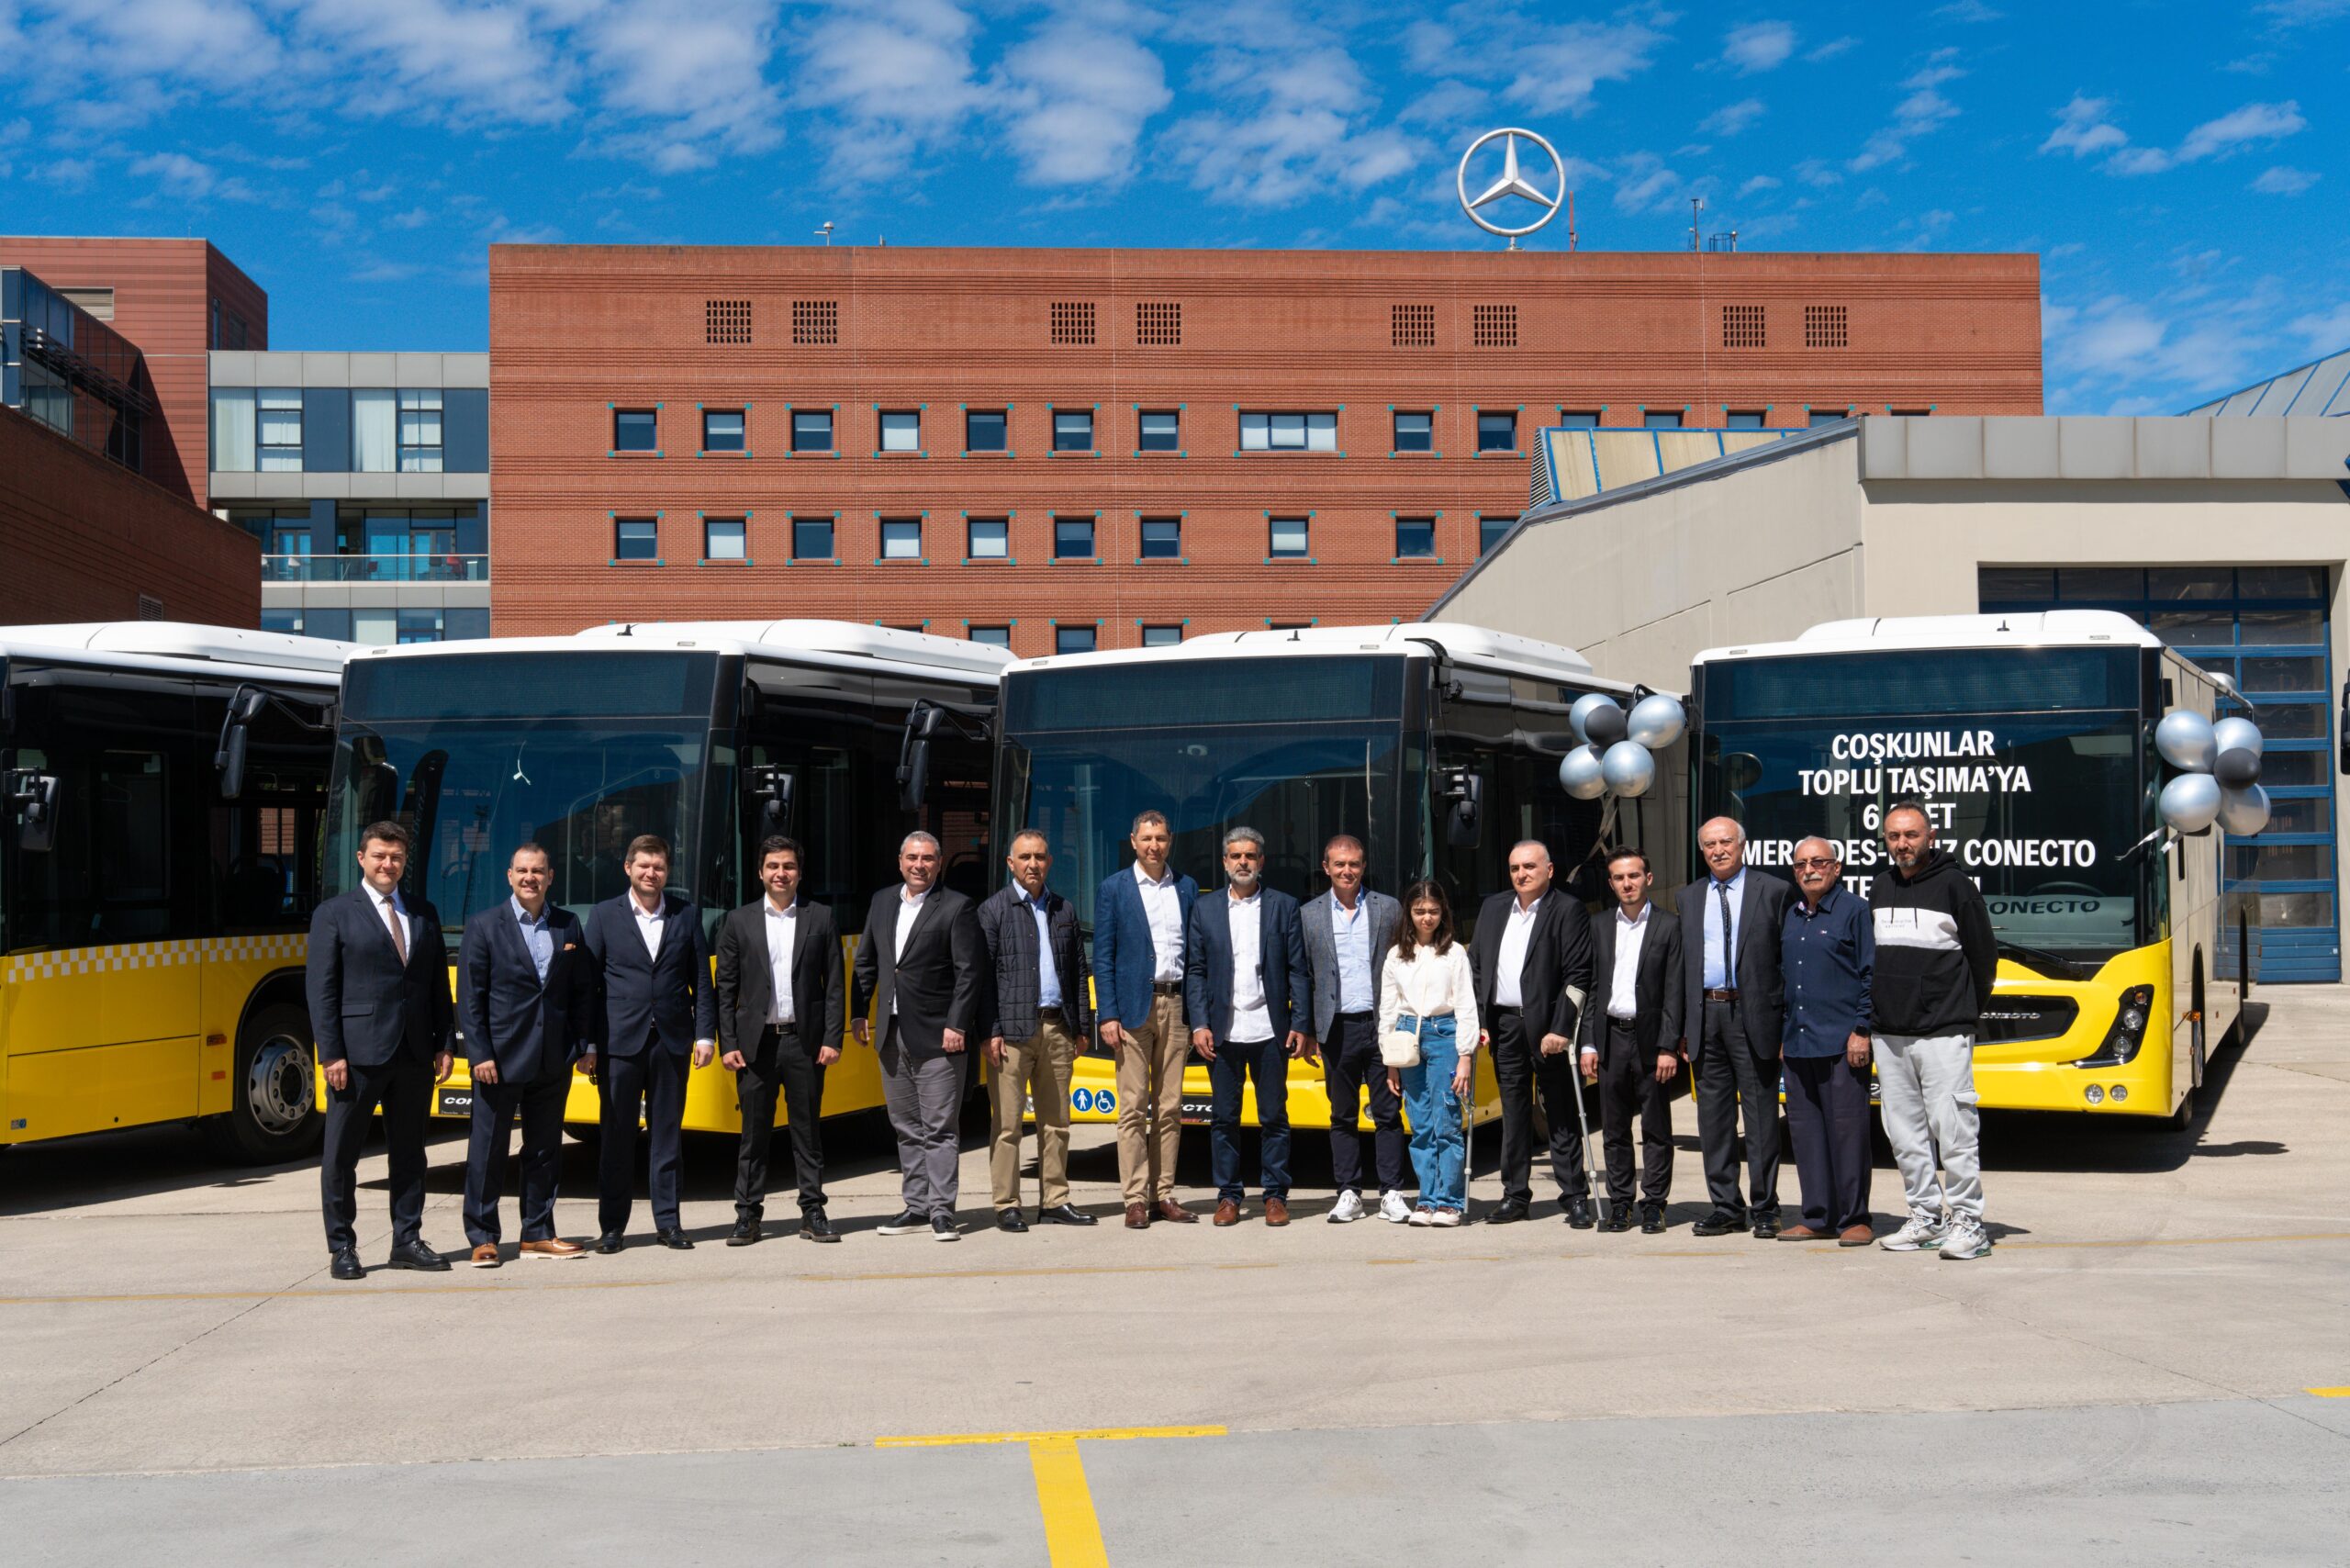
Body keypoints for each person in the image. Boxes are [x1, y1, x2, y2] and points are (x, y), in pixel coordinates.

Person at [308, 820, 455, 1280]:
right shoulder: (334, 913)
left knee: (410, 1153)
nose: (388, 864)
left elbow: (434, 985)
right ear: (361, 859)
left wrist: (444, 1043)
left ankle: (407, 1240)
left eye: (396, 857)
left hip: (413, 1053)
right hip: (357, 1055)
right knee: (342, 1156)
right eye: (379, 856)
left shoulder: (423, 912)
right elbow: (322, 989)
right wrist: (331, 1054)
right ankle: (342, 1246)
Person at [1871, 801, 1998, 1261]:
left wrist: (1960, 1012)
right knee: (1903, 1133)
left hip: (1944, 1031)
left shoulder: (1956, 886)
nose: (1902, 844)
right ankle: (1925, 1217)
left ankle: (1969, 1224)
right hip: (1889, 1033)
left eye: (1911, 835)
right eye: (1893, 836)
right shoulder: (1880, 885)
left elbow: (1985, 962)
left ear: (1931, 836)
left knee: (1954, 1130)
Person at [456, 843, 595, 1266]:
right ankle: (483, 1237)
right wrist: (478, 1053)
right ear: (509, 876)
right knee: (488, 1149)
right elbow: (470, 998)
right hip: (498, 1060)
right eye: (522, 870)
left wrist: (584, 1045)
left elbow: (581, 992)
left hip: (552, 1057)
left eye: (538, 870)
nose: (530, 877)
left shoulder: (569, 925)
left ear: (550, 877)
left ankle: (537, 1232)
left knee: (544, 1149)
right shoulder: (483, 926)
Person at [580, 834, 718, 1253]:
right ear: (628, 868)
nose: (651, 873)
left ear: (667, 872)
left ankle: (668, 1224)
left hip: (672, 1042)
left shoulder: (685, 915)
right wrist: (586, 1044)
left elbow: (701, 981)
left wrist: (705, 1034)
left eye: (658, 867)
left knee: (667, 1137)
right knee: (617, 1136)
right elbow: (588, 985)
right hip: (619, 1043)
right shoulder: (604, 916)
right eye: (643, 866)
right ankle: (612, 1228)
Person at [853, 831, 986, 1241]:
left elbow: (969, 973)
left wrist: (957, 1024)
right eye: (912, 857)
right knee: (906, 1125)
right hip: (891, 1034)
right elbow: (867, 963)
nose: (919, 865)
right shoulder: (881, 901)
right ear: (900, 861)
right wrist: (859, 1013)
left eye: (927, 858)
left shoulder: (958, 907)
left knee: (940, 1127)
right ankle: (916, 1206)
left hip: (939, 1036)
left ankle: (943, 1211)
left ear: (939, 862)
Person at [714, 835, 845, 1245]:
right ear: (760, 872)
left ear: (798, 873)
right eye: (773, 866)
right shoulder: (738, 921)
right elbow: (726, 989)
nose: (780, 873)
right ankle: (748, 1217)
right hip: (756, 1046)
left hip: (804, 1044)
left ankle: (813, 1212)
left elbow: (836, 984)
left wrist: (831, 1038)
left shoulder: (820, 918)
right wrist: (728, 1042)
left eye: (788, 866)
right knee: (753, 1137)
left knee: (807, 1134)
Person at [1185, 826, 1311, 1226]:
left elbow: (1298, 971)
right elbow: (1196, 972)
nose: (1243, 862)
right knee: (1224, 1119)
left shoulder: (1284, 906)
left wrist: (1301, 1023)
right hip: (1223, 1033)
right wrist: (1199, 1024)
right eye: (1236, 856)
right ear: (1225, 863)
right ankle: (1228, 1197)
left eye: (1250, 856)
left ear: (1262, 862)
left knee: (1274, 1117)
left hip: (1271, 1031)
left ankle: (1275, 1195)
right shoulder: (1204, 910)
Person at [1468, 839, 1595, 1226]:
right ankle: (1515, 1195)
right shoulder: (1493, 908)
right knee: (1515, 1113)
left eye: (1529, 867)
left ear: (1549, 870)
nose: (1521, 875)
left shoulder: (1568, 909)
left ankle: (1574, 1195)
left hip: (1548, 1028)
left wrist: (1562, 1028)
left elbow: (1579, 975)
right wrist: (1480, 1019)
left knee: (1559, 1112)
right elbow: (1476, 967)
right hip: (1504, 1025)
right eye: (1514, 868)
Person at [1676, 816, 1793, 1238]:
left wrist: (1786, 1026)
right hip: (1706, 1016)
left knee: (1761, 1117)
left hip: (1754, 1015)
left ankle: (1766, 1207)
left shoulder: (1774, 891)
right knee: (1713, 1119)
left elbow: (1786, 962)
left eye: (1726, 842)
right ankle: (1726, 1206)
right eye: (1709, 844)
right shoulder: (1688, 897)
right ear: (1701, 850)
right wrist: (1681, 1027)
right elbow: (1682, 968)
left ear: (1743, 845)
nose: (1718, 850)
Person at [977, 830, 1096, 1232]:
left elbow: (1079, 972)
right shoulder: (994, 910)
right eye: (1025, 857)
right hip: (1010, 1033)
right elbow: (984, 979)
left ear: (1049, 862)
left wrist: (1081, 1028)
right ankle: (1007, 1204)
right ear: (1010, 864)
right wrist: (989, 1029)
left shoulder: (1064, 909)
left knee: (1057, 1122)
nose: (1033, 864)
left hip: (1058, 1029)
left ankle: (1056, 1200)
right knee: (1008, 1125)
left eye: (1040, 857)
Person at [1091, 810, 1200, 1229]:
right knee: (1133, 1108)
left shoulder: (1186, 887)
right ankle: (1135, 1198)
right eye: (1147, 838)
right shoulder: (1114, 889)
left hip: (1176, 1008)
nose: (1154, 845)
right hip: (1134, 1008)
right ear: (1133, 841)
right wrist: (1109, 1013)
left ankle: (1164, 1194)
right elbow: (1104, 955)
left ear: (1169, 841)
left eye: (1161, 838)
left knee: (1171, 1108)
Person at [1300, 834, 1407, 1224]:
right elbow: (1306, 976)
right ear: (1326, 868)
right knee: (1342, 1115)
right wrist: (1308, 1028)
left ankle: (1392, 1192)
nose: (1348, 871)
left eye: (1355, 864)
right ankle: (1348, 1192)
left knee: (1388, 1112)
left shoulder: (1389, 909)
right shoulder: (1309, 914)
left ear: (1364, 867)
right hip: (1336, 1028)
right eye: (1339, 864)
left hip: (1381, 1026)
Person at [1578, 848, 1684, 1235]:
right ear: (1611, 884)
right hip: (1609, 1038)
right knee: (1614, 1129)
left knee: (1656, 1128)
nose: (1627, 884)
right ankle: (1620, 1203)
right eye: (1620, 878)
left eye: (1634, 876)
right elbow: (1591, 988)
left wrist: (1669, 1046)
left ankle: (1654, 1204)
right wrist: (1588, 1043)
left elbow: (1675, 991)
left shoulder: (1669, 926)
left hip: (1651, 1040)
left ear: (1648, 878)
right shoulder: (1600, 925)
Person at [1779, 838, 1876, 1246]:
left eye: (1818, 862)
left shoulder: (1854, 911)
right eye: (1801, 863)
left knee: (1848, 1132)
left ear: (1836, 868)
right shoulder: (1792, 914)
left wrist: (1861, 1029)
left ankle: (1855, 1217)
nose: (1809, 870)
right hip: (1798, 1042)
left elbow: (1871, 974)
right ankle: (1817, 1215)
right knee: (1805, 1133)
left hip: (1842, 1043)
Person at [1379, 879, 1480, 1227]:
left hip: (1445, 1034)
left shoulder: (1454, 953)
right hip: (1407, 1038)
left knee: (1447, 1121)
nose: (1426, 918)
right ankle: (1427, 1199)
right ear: (1409, 913)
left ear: (1443, 913)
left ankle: (1450, 1201)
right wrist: (1390, 1062)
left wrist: (1465, 1054)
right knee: (1420, 1124)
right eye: (1420, 911)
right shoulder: (1396, 955)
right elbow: (1388, 1010)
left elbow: (1467, 1005)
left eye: (1433, 911)